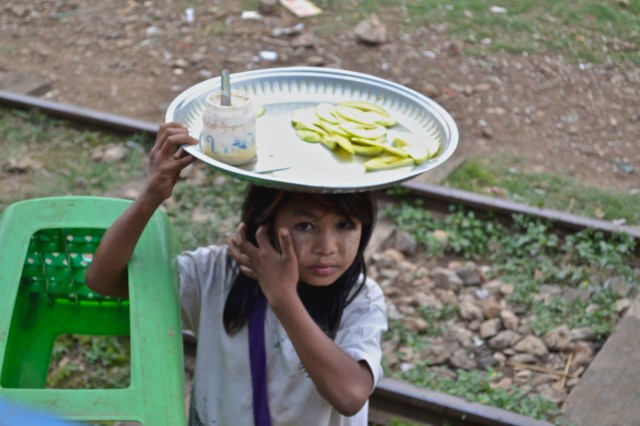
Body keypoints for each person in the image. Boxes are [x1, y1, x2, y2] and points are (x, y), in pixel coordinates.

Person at [85, 122, 388, 426]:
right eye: (305, 226)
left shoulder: (360, 298)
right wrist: (151, 194)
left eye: (345, 225)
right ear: (263, 226)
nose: (327, 248)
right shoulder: (216, 274)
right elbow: (104, 280)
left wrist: (282, 296)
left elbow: (349, 396)